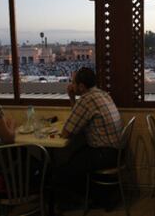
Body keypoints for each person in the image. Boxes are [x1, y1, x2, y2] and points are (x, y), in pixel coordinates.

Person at [55, 67, 123, 208]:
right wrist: (72, 98)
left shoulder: (86, 100)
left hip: (105, 153)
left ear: (81, 86)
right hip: (117, 150)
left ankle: (80, 200)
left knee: (65, 169)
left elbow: (67, 132)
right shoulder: (102, 94)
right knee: (75, 156)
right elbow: (77, 117)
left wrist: (72, 98)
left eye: (73, 82)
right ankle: (92, 196)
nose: (71, 85)